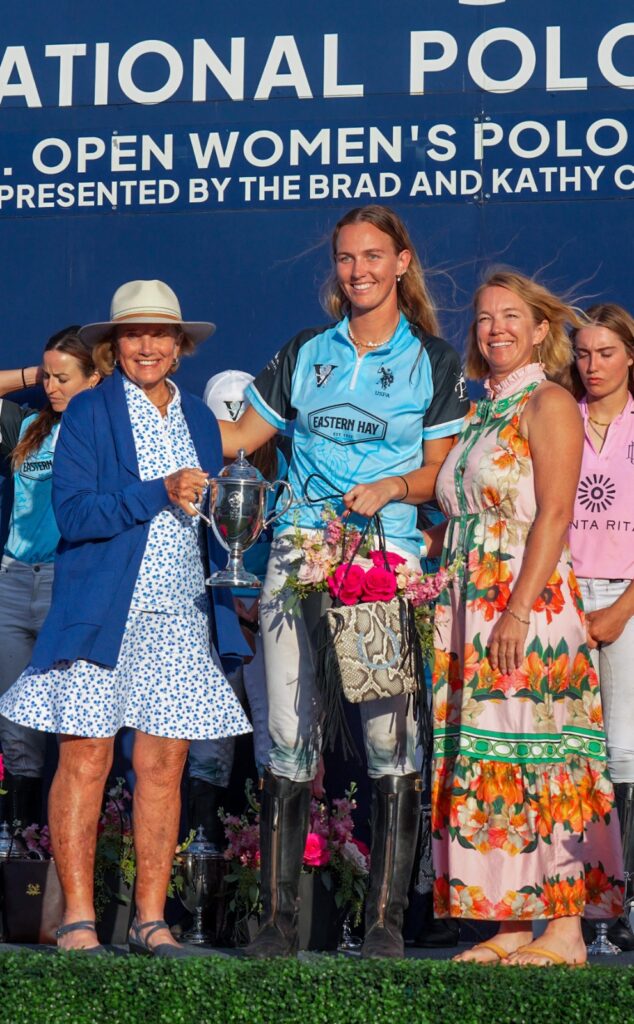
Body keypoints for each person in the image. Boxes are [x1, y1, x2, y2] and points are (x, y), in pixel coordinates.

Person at [219, 204, 470, 958]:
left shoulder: (433, 359)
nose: (358, 271)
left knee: (390, 739)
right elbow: (240, 439)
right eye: (346, 258)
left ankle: (385, 923)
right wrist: (154, 413)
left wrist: (393, 487)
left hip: (383, 558)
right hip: (298, 550)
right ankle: (277, 923)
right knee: (287, 734)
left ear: (401, 262)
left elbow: (442, 475)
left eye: (372, 256)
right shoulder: (307, 350)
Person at [0, 280, 252, 954]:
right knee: (86, 758)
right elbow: (75, 514)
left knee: (165, 766)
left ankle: (150, 920)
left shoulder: (199, 418)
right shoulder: (88, 411)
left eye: (159, 333)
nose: (147, 345)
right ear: (115, 344)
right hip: (102, 611)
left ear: (180, 346)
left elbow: (213, 518)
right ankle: (79, 918)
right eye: (133, 333)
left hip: (181, 613)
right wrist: (158, 491)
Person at [427, 270, 624, 967]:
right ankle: (509, 922)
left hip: (527, 607)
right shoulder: (481, 411)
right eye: (484, 319)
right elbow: (462, 505)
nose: (495, 329)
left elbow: (556, 513)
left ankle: (565, 929)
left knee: (546, 754)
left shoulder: (551, 402)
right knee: (491, 759)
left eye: (511, 316)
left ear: (541, 329)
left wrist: (515, 610)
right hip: (470, 611)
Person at [0, 330, 100, 827]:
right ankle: (19, 841)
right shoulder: (27, 426)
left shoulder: (106, 431)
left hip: (70, 583)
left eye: (63, 378)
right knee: (14, 722)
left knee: (73, 722)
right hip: (14, 579)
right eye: (48, 377)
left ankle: (64, 841)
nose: (52, 387)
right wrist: (32, 375)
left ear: (94, 379)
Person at [568, 303, 634, 950]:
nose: (593, 365)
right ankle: (574, 899)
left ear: (630, 356)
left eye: (606, 353)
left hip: (626, 597)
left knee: (624, 751)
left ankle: (622, 904)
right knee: (568, 749)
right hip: (566, 594)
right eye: (583, 353)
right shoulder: (563, 415)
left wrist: (620, 608)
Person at [188, 370, 276, 843]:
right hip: (214, 616)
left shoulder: (282, 466)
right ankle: (202, 851)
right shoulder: (194, 472)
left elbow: (293, 539)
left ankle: (272, 860)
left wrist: (261, 604)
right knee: (208, 738)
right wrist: (226, 609)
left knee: (275, 731)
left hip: (269, 615)